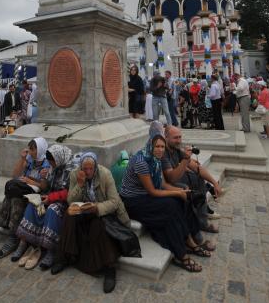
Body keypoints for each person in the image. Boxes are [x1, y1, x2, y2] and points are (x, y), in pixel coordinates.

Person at [120, 123, 208, 272]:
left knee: (179, 200)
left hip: (146, 195)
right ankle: (182, 254)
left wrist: (179, 191)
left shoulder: (155, 159)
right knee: (171, 206)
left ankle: (189, 241)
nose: (160, 150)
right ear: (151, 145)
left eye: (162, 146)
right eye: (157, 146)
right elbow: (153, 191)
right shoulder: (142, 161)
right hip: (132, 201)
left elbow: (161, 183)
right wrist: (176, 192)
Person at [51, 151, 131, 293]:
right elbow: (70, 200)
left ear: (95, 167)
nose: (88, 172)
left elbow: (114, 201)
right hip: (85, 211)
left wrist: (97, 208)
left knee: (98, 224)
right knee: (69, 215)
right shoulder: (75, 174)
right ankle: (65, 257)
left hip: (103, 212)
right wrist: (80, 185)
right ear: (81, 167)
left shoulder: (105, 174)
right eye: (85, 169)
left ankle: (109, 268)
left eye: (90, 169)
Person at [0, 137, 49, 257]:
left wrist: (29, 180)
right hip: (22, 191)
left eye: (32, 149)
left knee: (14, 197)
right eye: (29, 149)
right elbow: (15, 175)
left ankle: (11, 236)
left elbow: (44, 187)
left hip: (37, 196)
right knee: (12, 197)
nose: (30, 151)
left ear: (40, 150)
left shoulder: (46, 163)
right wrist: (22, 159)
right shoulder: (30, 159)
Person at [15, 144, 73, 270]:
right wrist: (44, 177)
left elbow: (70, 193)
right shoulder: (53, 167)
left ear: (58, 159)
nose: (51, 165)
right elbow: (45, 187)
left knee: (52, 210)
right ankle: (25, 242)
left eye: (53, 162)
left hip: (62, 202)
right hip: (49, 197)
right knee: (34, 204)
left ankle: (50, 250)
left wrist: (51, 198)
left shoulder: (72, 170)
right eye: (50, 162)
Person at [162, 125, 221, 236]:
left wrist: (214, 182)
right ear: (166, 137)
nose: (179, 140)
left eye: (180, 137)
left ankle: (202, 221)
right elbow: (171, 178)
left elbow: (196, 167)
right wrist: (185, 160)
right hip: (165, 184)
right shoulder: (163, 151)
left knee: (198, 177)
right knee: (185, 187)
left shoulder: (176, 149)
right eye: (175, 138)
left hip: (175, 178)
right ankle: (193, 229)